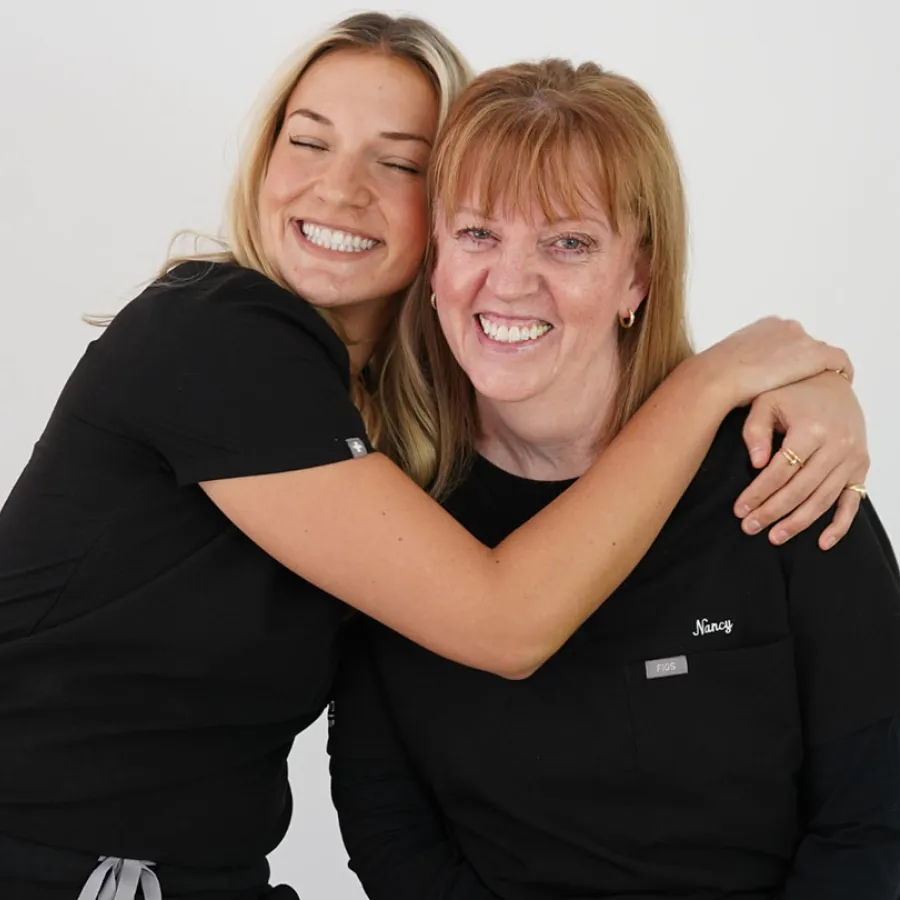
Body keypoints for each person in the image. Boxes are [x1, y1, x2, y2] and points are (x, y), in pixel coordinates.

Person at [0, 12, 870, 900]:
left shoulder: (387, 444)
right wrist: (716, 377)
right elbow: (498, 634)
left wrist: (810, 385)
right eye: (309, 142)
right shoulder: (218, 332)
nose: (338, 190)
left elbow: (873, 812)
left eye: (398, 161)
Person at [327, 58, 900, 900]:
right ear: (435, 256)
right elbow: (389, 827)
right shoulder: (398, 517)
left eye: (568, 242)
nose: (511, 282)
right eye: (479, 232)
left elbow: (875, 821)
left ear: (638, 275)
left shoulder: (784, 480)